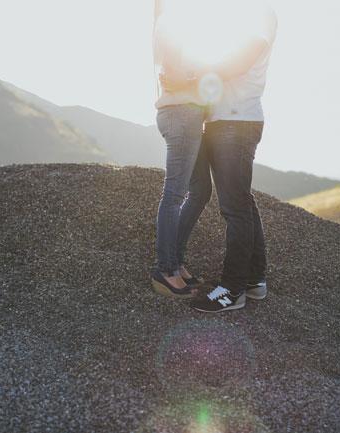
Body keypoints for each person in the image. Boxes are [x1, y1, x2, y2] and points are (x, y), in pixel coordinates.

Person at [162, 0, 278, 312]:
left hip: (237, 123)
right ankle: (254, 281)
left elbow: (237, 63)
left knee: (235, 208)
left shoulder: (261, 14)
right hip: (220, 122)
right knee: (242, 202)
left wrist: (186, 78)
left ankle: (232, 290)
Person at [150, 0, 209, 298]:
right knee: (174, 194)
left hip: (186, 114)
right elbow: (172, 76)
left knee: (201, 191)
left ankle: (176, 260)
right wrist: (204, 79)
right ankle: (166, 269)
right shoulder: (173, 22)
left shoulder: (182, 21)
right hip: (180, 114)